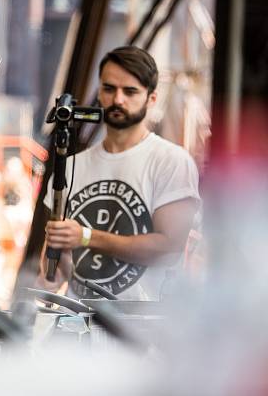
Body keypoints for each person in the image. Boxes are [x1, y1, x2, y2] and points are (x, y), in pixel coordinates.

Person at [39, 46, 200, 300]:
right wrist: (52, 272)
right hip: (79, 328)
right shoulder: (69, 166)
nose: (118, 100)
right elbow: (57, 265)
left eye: (130, 91)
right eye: (109, 88)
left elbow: (169, 248)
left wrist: (86, 236)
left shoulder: (172, 161)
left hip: (143, 328)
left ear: (152, 98)